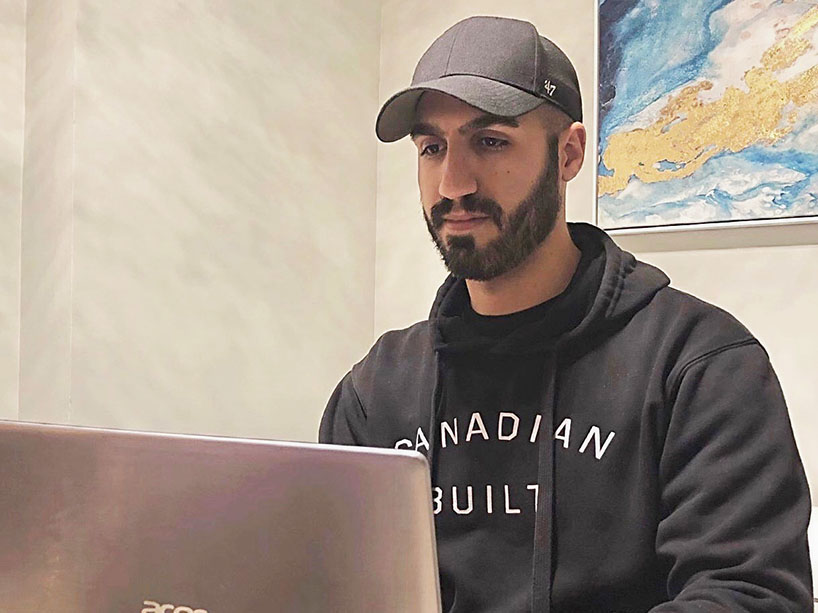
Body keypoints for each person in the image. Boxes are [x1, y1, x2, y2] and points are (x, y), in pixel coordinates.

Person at [319, 15, 813, 612]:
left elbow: (748, 595)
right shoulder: (378, 390)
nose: (452, 183)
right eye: (432, 148)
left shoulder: (699, 365)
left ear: (569, 154)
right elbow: (333, 588)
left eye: (490, 141)